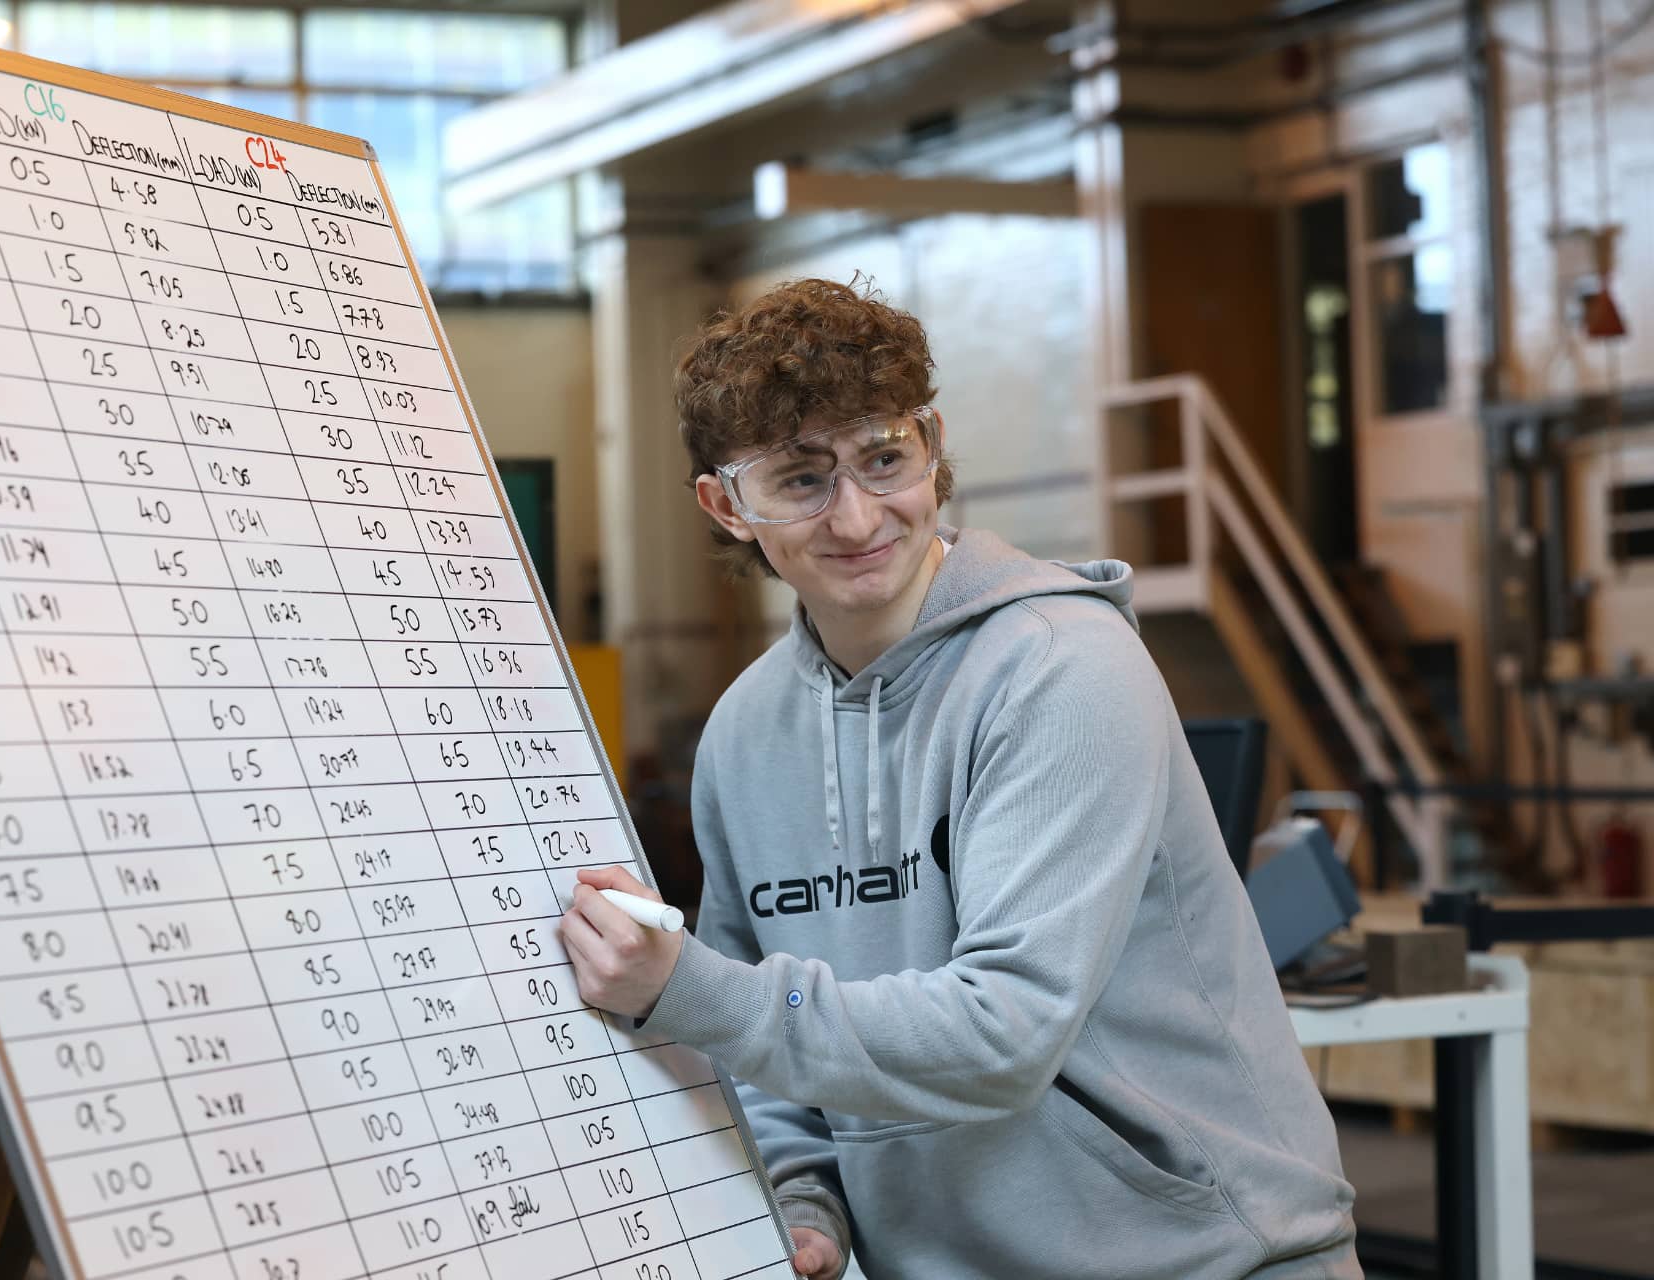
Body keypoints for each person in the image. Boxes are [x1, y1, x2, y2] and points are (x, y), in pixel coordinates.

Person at [559, 278, 1360, 1279]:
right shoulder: (743, 736)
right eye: (801, 479)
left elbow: (1007, 1029)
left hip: (1206, 1258)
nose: (857, 517)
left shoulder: (1062, 667)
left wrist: (687, 989)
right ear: (727, 504)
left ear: (931, 446)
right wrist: (807, 1189)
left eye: (885, 458)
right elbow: (760, 1051)